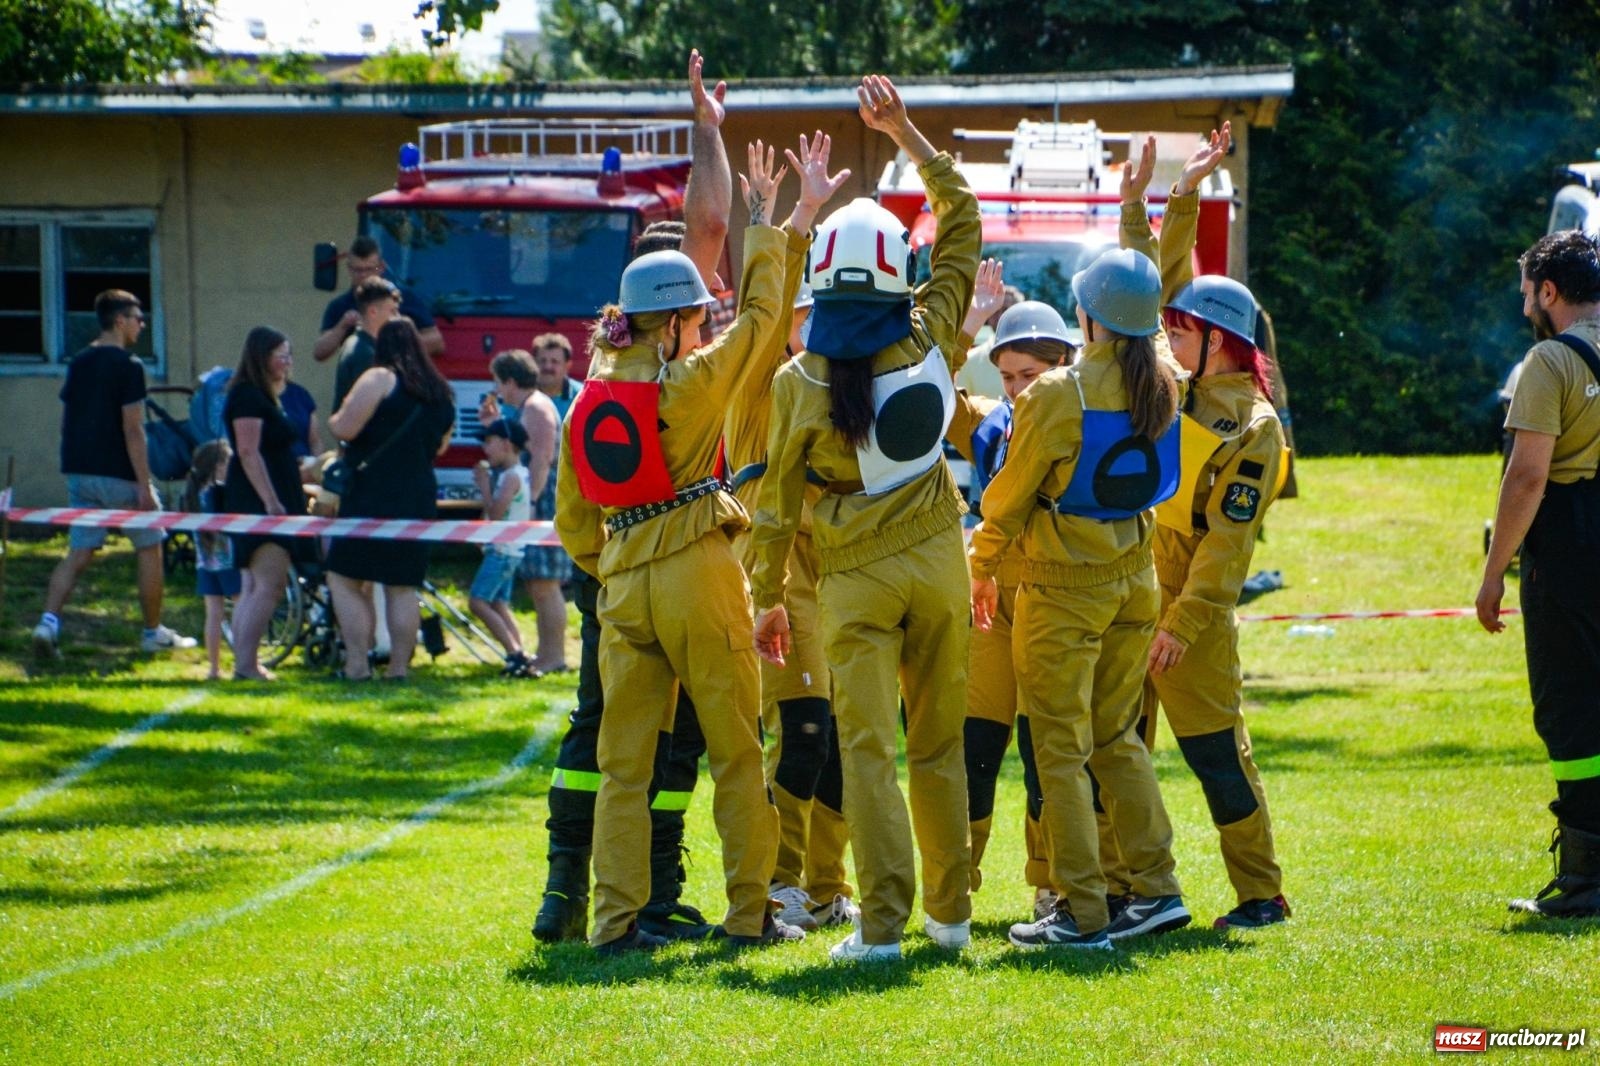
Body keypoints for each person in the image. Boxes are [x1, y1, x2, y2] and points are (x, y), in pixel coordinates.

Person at [751, 76, 980, 962]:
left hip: (850, 580)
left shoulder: (797, 382)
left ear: (820, 279)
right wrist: (906, 133)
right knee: (940, 745)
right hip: (939, 560)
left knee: (869, 752)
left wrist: (768, 596)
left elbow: (774, 510)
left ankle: (881, 928)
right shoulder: (934, 329)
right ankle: (951, 920)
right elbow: (960, 222)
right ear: (898, 271)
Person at [554, 134, 793, 955]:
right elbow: (763, 321)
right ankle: (748, 912)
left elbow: (571, 523)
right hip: (698, 570)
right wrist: (763, 228)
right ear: (676, 325)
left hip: (622, 584)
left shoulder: (586, 401)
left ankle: (614, 923)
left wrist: (620, 563)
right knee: (734, 749)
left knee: (624, 766)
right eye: (697, 318)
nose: (703, 328)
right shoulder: (691, 384)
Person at [532, 50, 740, 947]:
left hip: (612, 567)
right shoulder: (683, 367)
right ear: (678, 308)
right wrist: (706, 131)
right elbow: (708, 224)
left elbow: (568, 514)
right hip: (668, 563)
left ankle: (577, 898)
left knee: (607, 737)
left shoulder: (597, 379)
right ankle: (652, 894)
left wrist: (706, 129)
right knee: (676, 738)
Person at [968, 239, 1190, 950]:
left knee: (1058, 750)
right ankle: (1157, 889)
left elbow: (1005, 498)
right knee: (1116, 740)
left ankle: (1083, 913)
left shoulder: (1057, 394)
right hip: (1135, 575)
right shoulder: (1164, 377)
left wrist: (979, 565)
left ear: (1087, 317)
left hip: (1064, 588)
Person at [1122, 125, 1294, 930]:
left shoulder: (1255, 427)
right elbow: (1162, 276)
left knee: (1216, 755)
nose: (1169, 334)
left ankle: (1261, 894)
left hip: (1191, 611)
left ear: (1219, 340)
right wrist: (1181, 191)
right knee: (1116, 748)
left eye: (1183, 328)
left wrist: (1184, 624)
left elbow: (1230, 545)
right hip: (1131, 590)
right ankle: (1130, 889)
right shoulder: (1173, 372)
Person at [722, 132, 854, 932]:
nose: (810, 326)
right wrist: (793, 218)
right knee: (800, 731)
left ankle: (828, 886)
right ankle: (778, 886)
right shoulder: (759, 381)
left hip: (834, 569)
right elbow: (762, 306)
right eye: (804, 315)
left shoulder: (832, 387)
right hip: (773, 573)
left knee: (830, 736)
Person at [1478, 228, 1600, 920]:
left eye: (1528, 292)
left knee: (1572, 712)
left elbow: (1527, 478)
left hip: (1572, 544)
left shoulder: (1549, 361)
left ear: (1549, 291)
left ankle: (1586, 877)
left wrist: (1495, 573)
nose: (1526, 304)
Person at [946, 270, 1070, 922]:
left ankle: (1051, 886)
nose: (1020, 390)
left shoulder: (1082, 425)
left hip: (1054, 603)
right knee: (976, 747)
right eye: (1010, 376)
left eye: (1032, 375)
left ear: (1063, 368)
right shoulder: (989, 422)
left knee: (1043, 751)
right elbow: (928, 393)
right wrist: (969, 324)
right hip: (990, 607)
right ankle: (954, 889)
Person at [31, 290, 194, 658]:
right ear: (119, 321)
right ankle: (152, 632)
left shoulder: (79, 362)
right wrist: (143, 484)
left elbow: (66, 420)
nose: (142, 324)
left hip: (79, 471)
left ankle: (47, 623)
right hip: (119, 474)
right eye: (137, 318)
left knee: (79, 551)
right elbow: (133, 429)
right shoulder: (129, 365)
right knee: (150, 545)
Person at [325, 319, 456, 681]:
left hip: (370, 496)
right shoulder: (440, 391)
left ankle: (357, 665)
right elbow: (441, 446)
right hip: (417, 497)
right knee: (402, 587)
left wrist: (336, 416)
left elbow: (343, 428)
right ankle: (399, 668)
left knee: (345, 578)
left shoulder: (379, 378)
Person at [223, 326, 309, 682]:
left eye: (289, 354)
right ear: (262, 357)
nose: (288, 362)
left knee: (258, 586)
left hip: (273, 495)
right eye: (281, 355)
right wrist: (271, 500)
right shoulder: (247, 396)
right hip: (259, 501)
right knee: (270, 585)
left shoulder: (264, 395)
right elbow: (247, 450)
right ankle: (246, 664)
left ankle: (245, 662)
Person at [478, 349, 567, 674]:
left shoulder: (537, 408)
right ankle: (545, 655)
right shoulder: (526, 407)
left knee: (546, 582)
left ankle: (554, 657)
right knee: (535, 583)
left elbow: (542, 460)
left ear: (511, 381)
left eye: (499, 382)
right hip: (533, 502)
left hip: (541, 504)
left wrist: (528, 509)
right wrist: (493, 424)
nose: (498, 390)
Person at [469, 417, 536, 678]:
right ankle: (520, 652)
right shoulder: (520, 473)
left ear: (507, 444)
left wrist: (484, 486)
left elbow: (495, 514)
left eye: (489, 442)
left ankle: (513, 652)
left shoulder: (510, 477)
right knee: (498, 603)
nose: (485, 449)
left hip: (502, 551)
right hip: (510, 549)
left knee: (478, 602)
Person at [313, 235, 444, 362]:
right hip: (357, 378)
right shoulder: (340, 306)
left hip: (397, 377)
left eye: (369, 269)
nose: (364, 275)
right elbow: (320, 353)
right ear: (348, 268)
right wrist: (343, 325)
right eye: (357, 270)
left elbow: (437, 343)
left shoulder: (403, 299)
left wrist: (399, 342)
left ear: (381, 267)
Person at [184, 439, 242, 681]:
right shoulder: (218, 492)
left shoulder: (193, 494)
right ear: (218, 465)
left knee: (214, 614)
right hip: (228, 560)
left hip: (205, 563)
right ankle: (245, 660)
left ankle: (214, 668)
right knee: (241, 608)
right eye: (229, 461)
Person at [332, 276, 402, 415]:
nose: (398, 317)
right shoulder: (365, 353)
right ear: (373, 312)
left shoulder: (360, 344)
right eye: (392, 311)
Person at [532, 333, 583, 420]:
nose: (547, 366)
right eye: (542, 361)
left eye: (554, 361)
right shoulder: (522, 393)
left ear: (567, 366)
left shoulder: (581, 397)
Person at [279, 379, 321, 460]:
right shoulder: (256, 397)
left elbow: (315, 442)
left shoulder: (300, 393)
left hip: (305, 464)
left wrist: (316, 466)